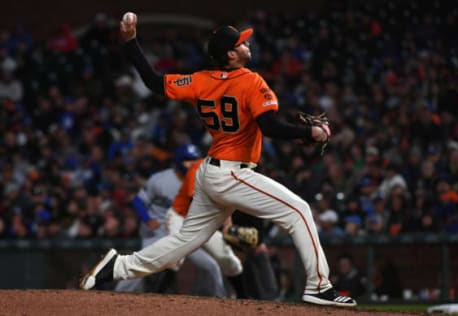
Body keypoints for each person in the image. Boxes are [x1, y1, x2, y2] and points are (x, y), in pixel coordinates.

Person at [79, 14, 356, 307]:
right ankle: (319, 286)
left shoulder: (200, 80)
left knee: (184, 242)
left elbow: (152, 82)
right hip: (231, 173)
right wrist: (310, 132)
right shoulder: (250, 81)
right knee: (299, 211)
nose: (247, 44)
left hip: (210, 173)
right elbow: (271, 127)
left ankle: (117, 266)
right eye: (241, 43)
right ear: (231, 54)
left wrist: (131, 42)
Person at [115, 144, 238, 298]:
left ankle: (222, 302)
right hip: (157, 233)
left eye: (194, 159)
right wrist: (148, 219)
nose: (191, 163)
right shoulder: (160, 180)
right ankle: (114, 297)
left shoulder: (203, 181)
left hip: (183, 235)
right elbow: (138, 201)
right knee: (141, 266)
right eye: (187, 160)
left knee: (211, 266)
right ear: (178, 161)